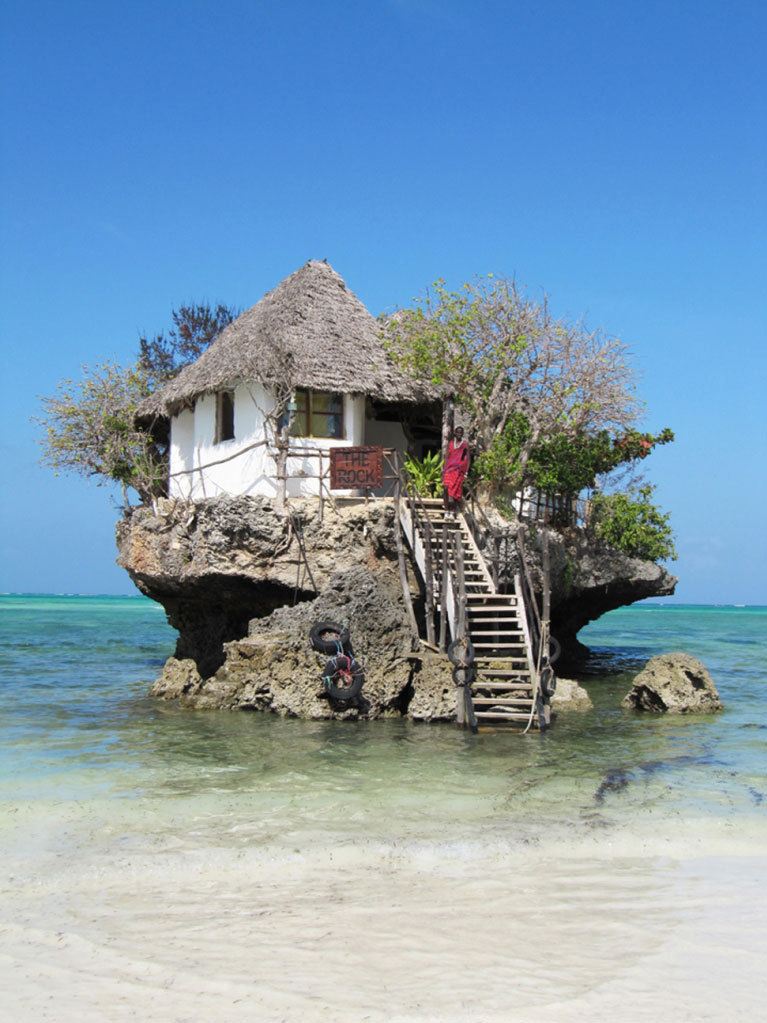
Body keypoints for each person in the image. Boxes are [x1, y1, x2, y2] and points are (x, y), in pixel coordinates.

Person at [442, 426, 470, 520]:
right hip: (449, 469)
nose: (459, 434)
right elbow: (446, 457)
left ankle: (452, 512)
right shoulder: (450, 444)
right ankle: (446, 510)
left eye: (461, 432)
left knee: (455, 492)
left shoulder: (465, 445)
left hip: (458, 471)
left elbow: (467, 459)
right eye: (457, 432)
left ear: (462, 434)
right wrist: (444, 469)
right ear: (454, 433)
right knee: (445, 488)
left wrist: (466, 473)